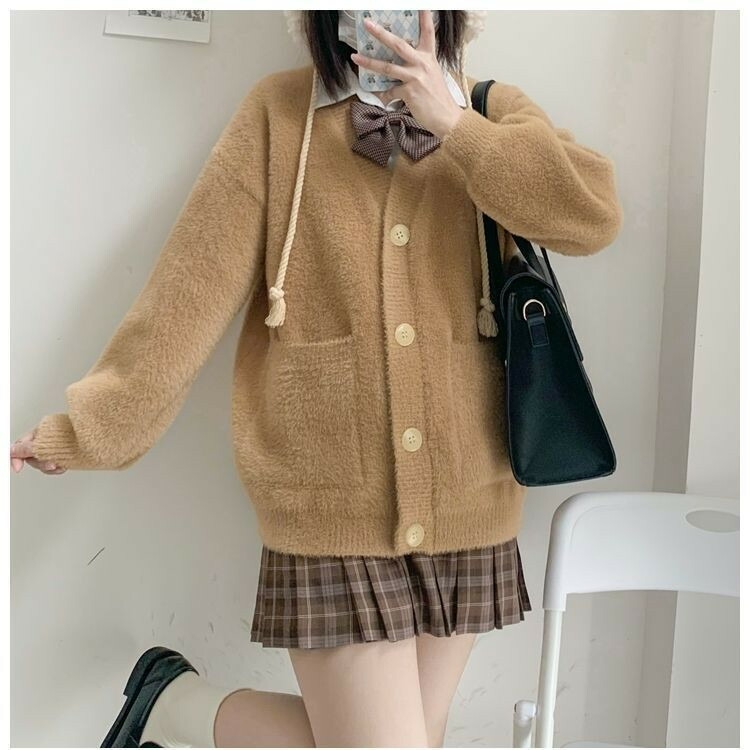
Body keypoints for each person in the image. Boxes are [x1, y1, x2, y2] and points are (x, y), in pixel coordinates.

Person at [10, 9, 623, 748]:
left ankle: (171, 704)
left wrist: (455, 126)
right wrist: (92, 430)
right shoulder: (278, 117)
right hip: (330, 503)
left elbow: (593, 213)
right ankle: (172, 705)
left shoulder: (491, 110)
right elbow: (187, 294)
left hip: (469, 503)